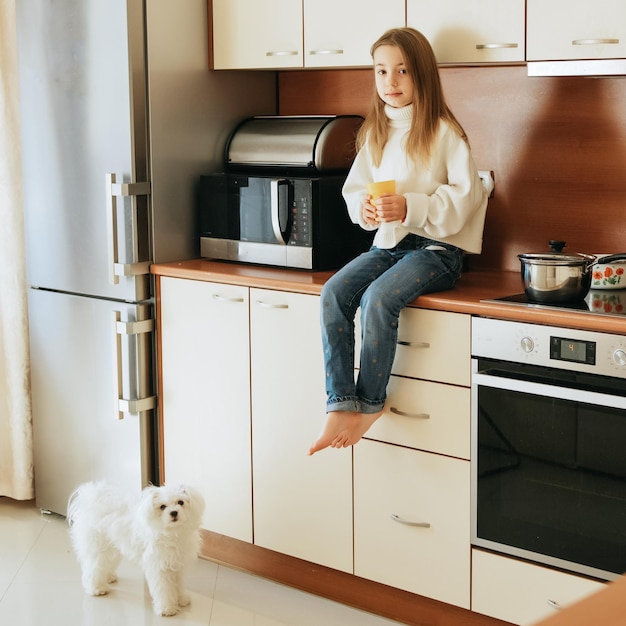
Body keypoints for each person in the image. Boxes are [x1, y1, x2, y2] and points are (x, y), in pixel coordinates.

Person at [308, 27, 493, 456]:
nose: (390, 82)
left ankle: (370, 403)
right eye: (381, 71)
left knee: (378, 298)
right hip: (388, 245)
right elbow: (356, 190)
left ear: (422, 75)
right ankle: (340, 402)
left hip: (437, 250)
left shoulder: (446, 132)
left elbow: (467, 197)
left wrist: (410, 206)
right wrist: (365, 211)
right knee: (334, 292)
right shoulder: (376, 133)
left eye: (402, 71)